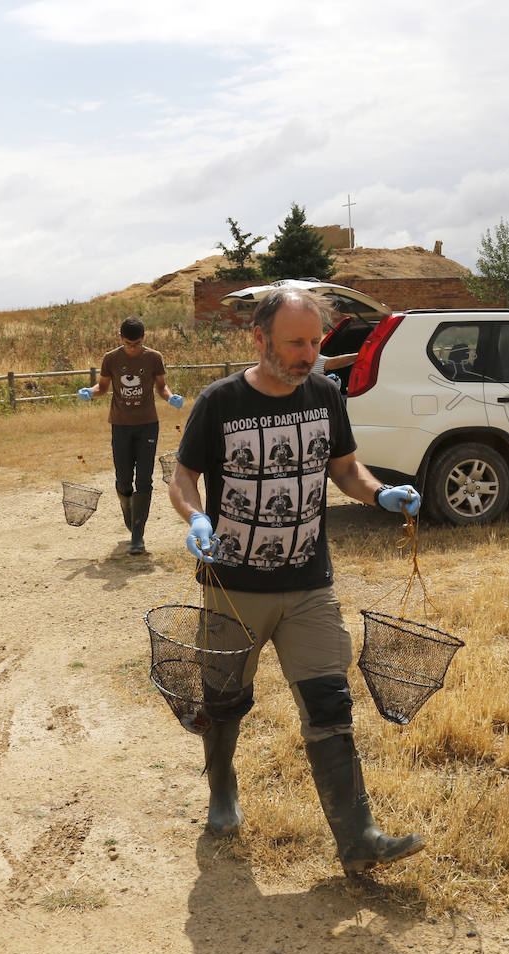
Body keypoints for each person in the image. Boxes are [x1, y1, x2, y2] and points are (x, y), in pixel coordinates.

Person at [167, 286, 425, 875]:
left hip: (309, 582)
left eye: (314, 342)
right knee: (224, 698)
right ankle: (223, 787)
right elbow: (183, 477)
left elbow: (345, 470)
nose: (308, 354)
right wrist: (197, 515)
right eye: (295, 343)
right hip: (232, 584)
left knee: (329, 700)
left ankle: (358, 838)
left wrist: (379, 490)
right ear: (259, 339)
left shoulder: (325, 394)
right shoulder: (220, 402)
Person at [78, 316, 182, 555]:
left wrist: (170, 397)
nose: (132, 348)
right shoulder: (111, 359)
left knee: (144, 479)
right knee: (123, 479)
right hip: (121, 425)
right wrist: (90, 392)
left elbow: (161, 386)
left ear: (143, 339)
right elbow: (103, 388)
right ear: (120, 338)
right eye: (128, 343)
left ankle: (138, 534)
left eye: (136, 344)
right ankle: (128, 509)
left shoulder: (154, 358)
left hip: (147, 425)